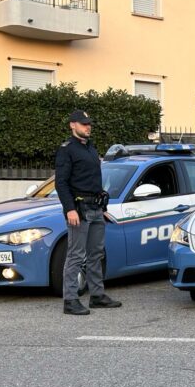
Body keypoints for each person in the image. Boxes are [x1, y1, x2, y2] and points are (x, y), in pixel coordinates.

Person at [55, 110, 122, 315]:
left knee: (96, 254)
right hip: (79, 210)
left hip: (95, 208)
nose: (88, 127)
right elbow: (61, 183)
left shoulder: (91, 149)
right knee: (76, 255)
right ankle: (70, 300)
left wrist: (102, 207)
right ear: (72, 125)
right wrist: (70, 210)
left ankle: (97, 296)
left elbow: (93, 181)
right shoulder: (67, 150)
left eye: (89, 124)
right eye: (83, 124)